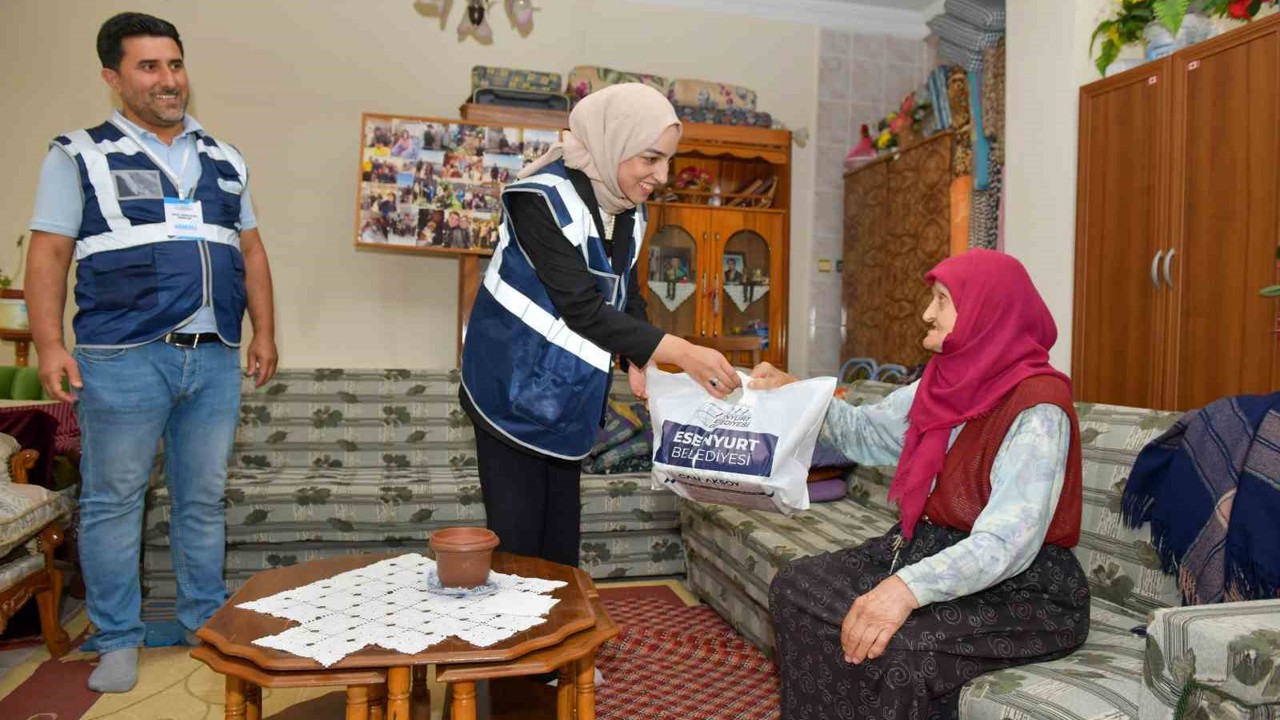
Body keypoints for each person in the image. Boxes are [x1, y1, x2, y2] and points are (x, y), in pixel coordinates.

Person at [25, 12, 278, 694]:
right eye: (148, 66)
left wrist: (265, 332)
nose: (168, 79)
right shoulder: (78, 154)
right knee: (113, 501)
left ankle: (202, 621)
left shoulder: (224, 158)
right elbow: (48, 253)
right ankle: (117, 638)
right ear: (113, 77)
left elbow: (251, 252)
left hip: (214, 355)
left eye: (174, 64)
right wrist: (49, 344)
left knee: (203, 500)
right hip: (121, 358)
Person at [752, 249, 1088, 720]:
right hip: (925, 549)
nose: (928, 313)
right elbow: (865, 434)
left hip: (1022, 587)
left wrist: (903, 589)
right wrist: (797, 393)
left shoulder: (1038, 407)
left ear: (984, 311)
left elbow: (1007, 543)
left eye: (942, 300)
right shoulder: (943, 381)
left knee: (897, 647)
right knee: (795, 588)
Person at [459, 84, 739, 570]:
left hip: (566, 396)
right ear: (612, 143)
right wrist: (682, 352)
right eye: (650, 158)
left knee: (559, 552)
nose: (662, 176)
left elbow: (627, 292)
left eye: (668, 161)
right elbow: (582, 308)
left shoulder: (627, 207)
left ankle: (558, 622)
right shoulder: (539, 199)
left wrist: (640, 358)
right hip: (508, 393)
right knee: (519, 552)